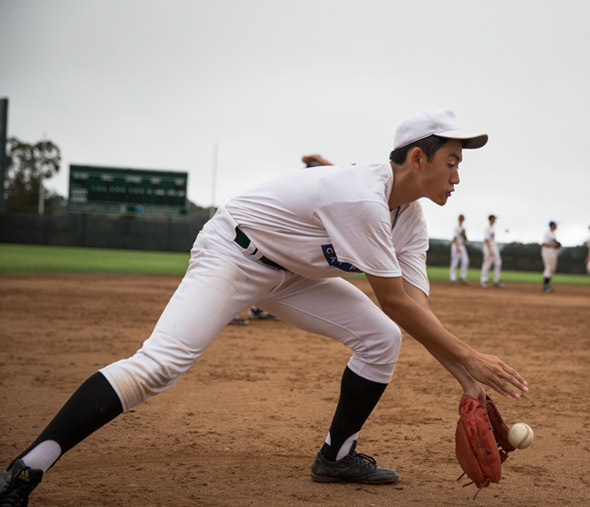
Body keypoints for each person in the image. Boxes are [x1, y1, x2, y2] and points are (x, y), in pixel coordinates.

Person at [0, 109, 529, 505]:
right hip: (234, 253)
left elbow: (412, 308)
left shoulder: (409, 218)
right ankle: (28, 468)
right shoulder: (361, 196)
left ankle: (336, 457)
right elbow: (391, 297)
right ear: (419, 158)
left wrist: (467, 379)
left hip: (293, 275)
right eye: (452, 162)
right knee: (158, 366)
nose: (458, 176)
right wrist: (472, 359)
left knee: (381, 338)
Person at [229, 155, 334, 325]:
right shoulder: (303, 187)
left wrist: (318, 160)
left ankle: (257, 309)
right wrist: (318, 159)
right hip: (259, 234)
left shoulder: (312, 187)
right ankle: (229, 309)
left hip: (279, 237)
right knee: (250, 269)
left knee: (275, 270)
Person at [480, 214, 503, 288]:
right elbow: (486, 240)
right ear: (491, 219)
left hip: (494, 247)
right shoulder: (487, 228)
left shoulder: (492, 228)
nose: (495, 220)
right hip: (488, 247)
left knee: (498, 263)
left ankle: (496, 281)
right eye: (494, 219)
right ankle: (483, 280)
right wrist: (490, 250)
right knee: (487, 264)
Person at [540, 221, 561, 293]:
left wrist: (556, 244)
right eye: (555, 225)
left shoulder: (553, 234)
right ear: (552, 226)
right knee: (548, 268)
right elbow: (544, 244)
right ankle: (546, 286)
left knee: (552, 269)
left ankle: (547, 285)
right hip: (548, 254)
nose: (556, 226)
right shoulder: (547, 234)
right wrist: (554, 245)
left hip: (553, 254)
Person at [450, 214, 469, 284]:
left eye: (462, 218)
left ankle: (462, 277)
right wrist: (457, 247)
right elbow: (454, 238)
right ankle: (453, 278)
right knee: (455, 262)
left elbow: (466, 239)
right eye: (461, 218)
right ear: (459, 219)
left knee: (466, 261)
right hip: (456, 245)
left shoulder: (463, 229)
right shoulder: (456, 228)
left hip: (462, 245)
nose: (461, 220)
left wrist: (464, 233)